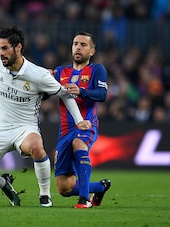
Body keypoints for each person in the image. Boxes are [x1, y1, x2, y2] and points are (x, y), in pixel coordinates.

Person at [0, 26, 90, 207]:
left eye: (5, 48)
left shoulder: (39, 75)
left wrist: (79, 120)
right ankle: (4, 183)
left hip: (25, 128)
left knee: (37, 147)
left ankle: (45, 196)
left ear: (18, 47)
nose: (0, 53)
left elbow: (65, 94)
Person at [53, 31, 111, 208]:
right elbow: (46, 95)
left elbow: (102, 94)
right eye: (75, 44)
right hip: (64, 130)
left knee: (79, 143)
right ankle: (100, 187)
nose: (78, 47)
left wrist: (81, 91)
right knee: (64, 187)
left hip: (86, 124)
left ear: (92, 51)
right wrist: (42, 78)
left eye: (83, 45)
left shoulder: (97, 69)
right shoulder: (61, 72)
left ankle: (85, 200)